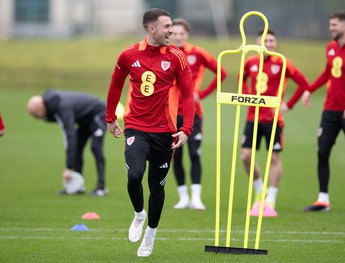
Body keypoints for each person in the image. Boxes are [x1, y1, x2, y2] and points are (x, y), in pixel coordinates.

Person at [105, 9, 195, 257]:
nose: (172, 31)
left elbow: (188, 95)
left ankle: (151, 234)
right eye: (167, 27)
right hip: (135, 127)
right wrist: (110, 117)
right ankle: (138, 214)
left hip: (165, 132)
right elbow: (115, 84)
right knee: (134, 176)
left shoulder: (177, 57)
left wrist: (186, 128)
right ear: (151, 29)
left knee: (157, 188)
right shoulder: (128, 54)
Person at [303, 11, 345, 213]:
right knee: (322, 152)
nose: (331, 28)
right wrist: (309, 90)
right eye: (330, 24)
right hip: (330, 111)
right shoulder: (331, 48)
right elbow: (327, 73)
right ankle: (323, 199)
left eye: (334, 25)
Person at [241, 30, 309, 217]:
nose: (268, 44)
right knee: (245, 157)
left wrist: (288, 105)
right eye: (264, 41)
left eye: (271, 41)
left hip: (273, 120)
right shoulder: (251, 62)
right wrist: (246, 96)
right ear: (257, 44)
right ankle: (259, 190)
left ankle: (271, 197)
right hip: (252, 117)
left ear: (275, 43)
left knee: (274, 158)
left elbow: (303, 83)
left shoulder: (282, 62)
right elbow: (242, 79)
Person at [170, 18, 227, 210]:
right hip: (169, 114)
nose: (178, 37)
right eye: (174, 33)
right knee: (175, 155)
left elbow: (222, 73)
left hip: (193, 113)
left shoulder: (198, 53)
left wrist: (201, 94)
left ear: (187, 35)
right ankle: (183, 197)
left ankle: (196, 197)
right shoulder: (165, 53)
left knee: (195, 153)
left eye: (181, 33)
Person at [27, 89, 108, 196]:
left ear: (41, 109)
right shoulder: (53, 105)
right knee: (78, 149)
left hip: (99, 114)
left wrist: (69, 167)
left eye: (35, 115)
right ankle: (78, 186)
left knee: (95, 147)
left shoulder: (62, 107)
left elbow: (70, 135)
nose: (36, 118)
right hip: (85, 120)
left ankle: (101, 188)